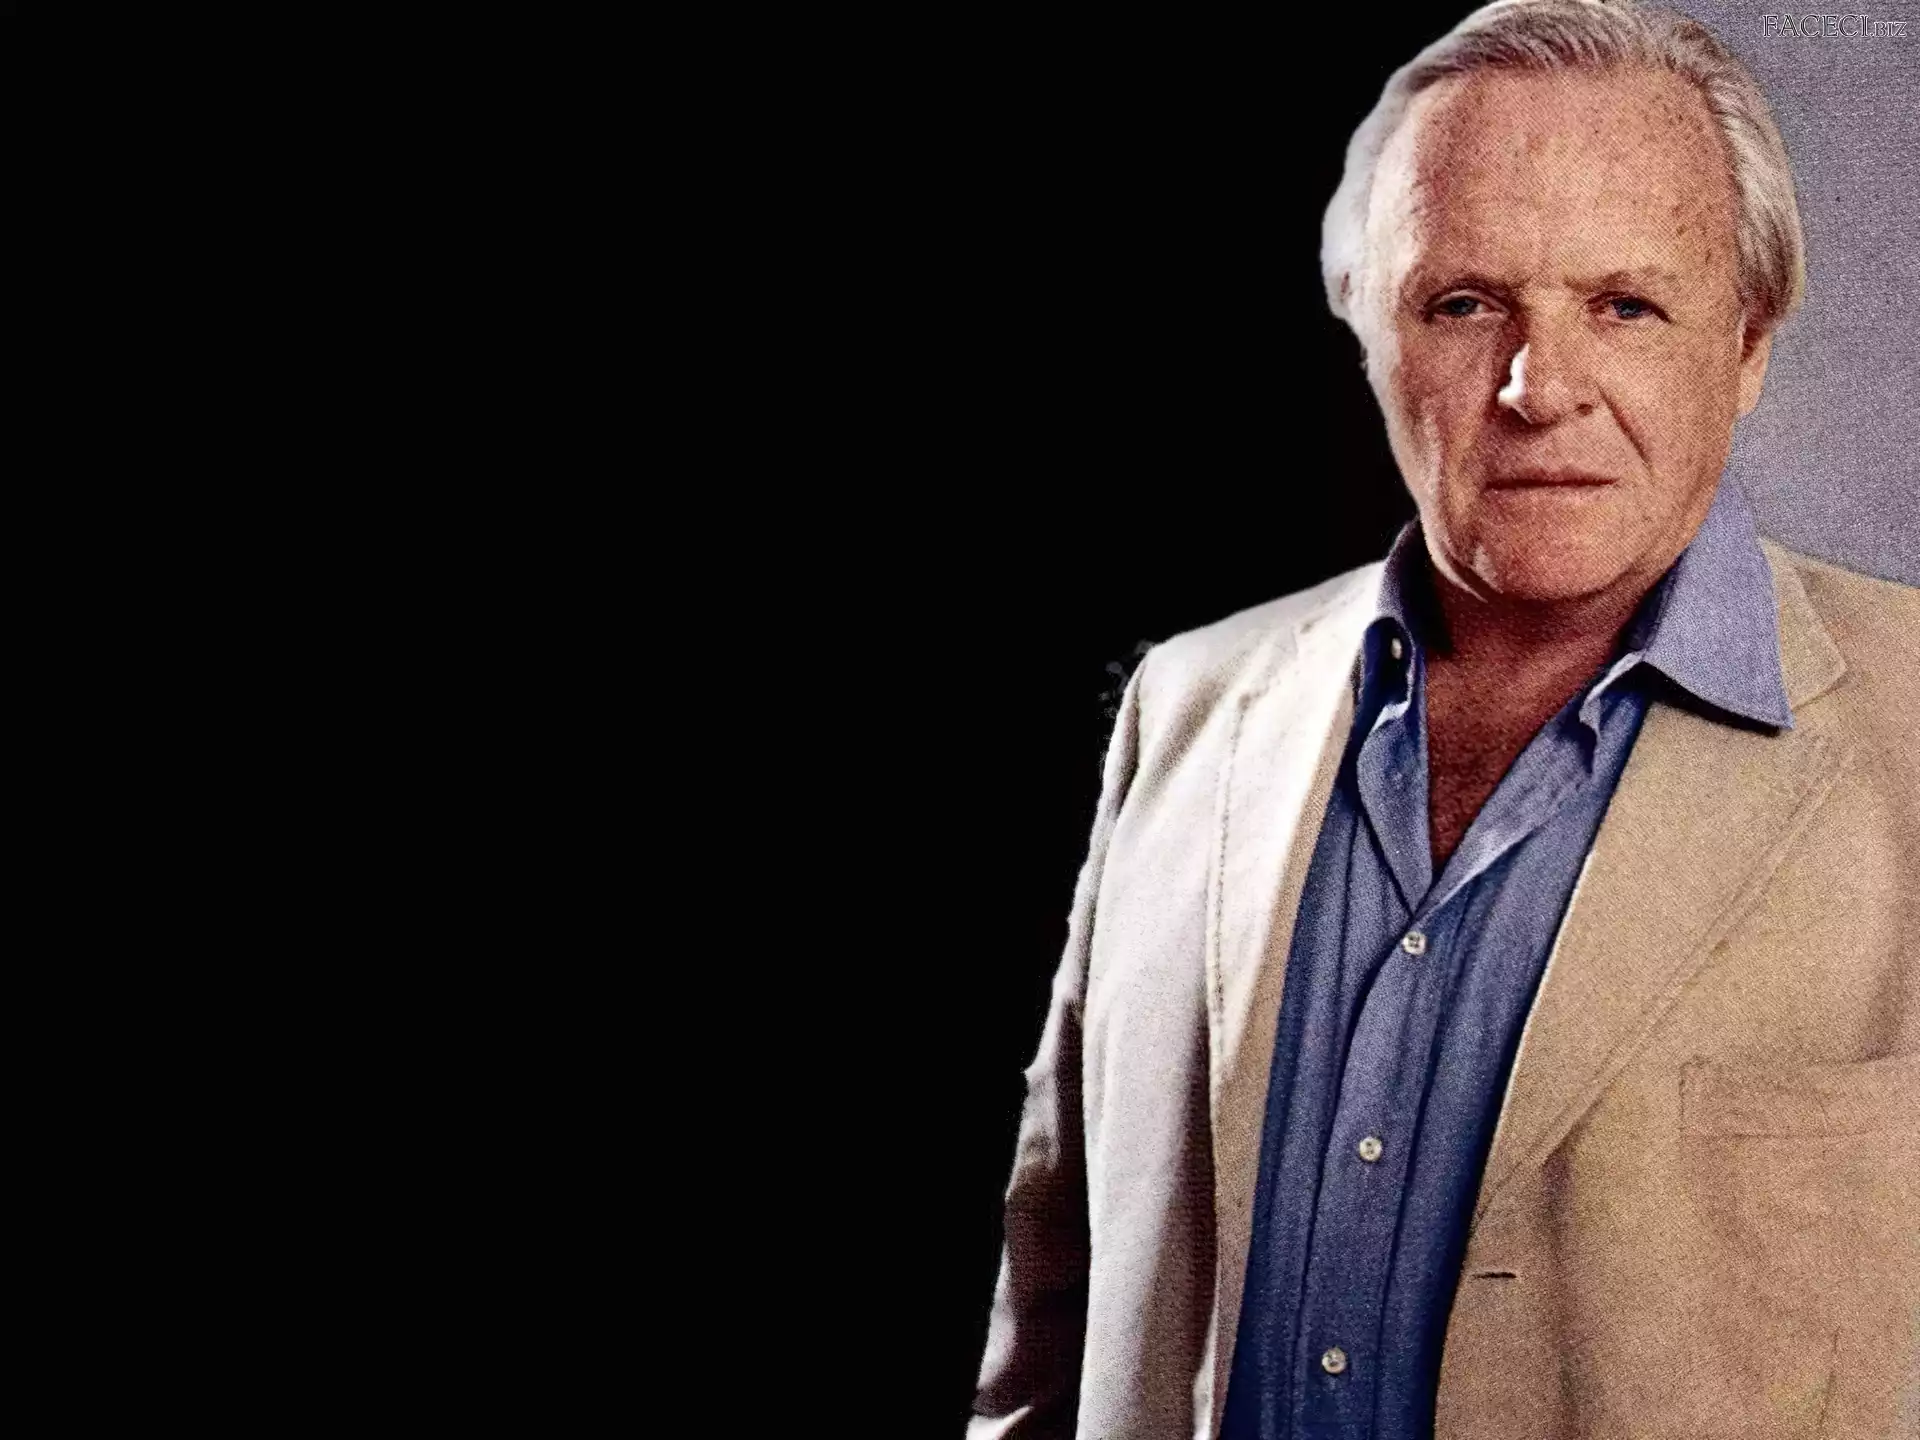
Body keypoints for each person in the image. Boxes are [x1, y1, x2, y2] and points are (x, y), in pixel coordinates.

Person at [966, 2, 1919, 1436]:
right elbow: (1054, 1325)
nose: (1540, 390)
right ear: (1372, 335)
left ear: (1746, 346)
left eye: (1625, 305)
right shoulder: (1189, 709)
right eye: (1465, 304)